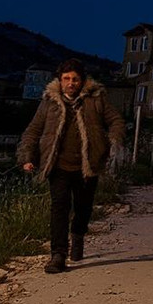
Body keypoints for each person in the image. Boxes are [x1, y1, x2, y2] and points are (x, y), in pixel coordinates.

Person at [18, 58, 126, 274]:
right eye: (66, 78)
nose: (71, 83)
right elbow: (33, 131)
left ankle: (78, 234)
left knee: (83, 208)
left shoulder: (96, 99)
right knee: (59, 207)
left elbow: (116, 121)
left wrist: (112, 141)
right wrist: (27, 157)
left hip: (87, 165)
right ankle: (58, 254)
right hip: (57, 164)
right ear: (60, 80)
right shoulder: (49, 102)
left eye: (75, 79)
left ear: (82, 80)